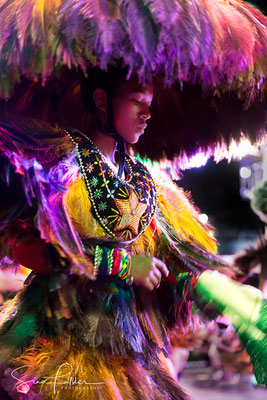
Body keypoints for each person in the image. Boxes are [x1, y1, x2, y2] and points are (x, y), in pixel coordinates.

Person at [0, 67, 265, 400]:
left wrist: (225, 294)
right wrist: (121, 264)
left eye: (150, 102)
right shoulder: (57, 159)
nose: (148, 113)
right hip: (60, 331)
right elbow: (26, 245)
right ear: (101, 100)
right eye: (137, 101)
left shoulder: (147, 181)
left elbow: (176, 263)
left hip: (129, 340)